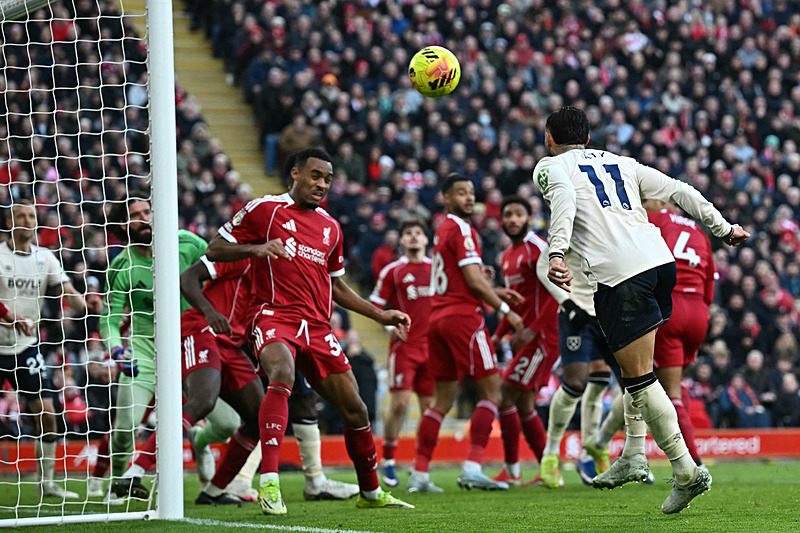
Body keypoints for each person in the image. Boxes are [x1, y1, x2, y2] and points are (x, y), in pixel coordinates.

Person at [535, 106, 748, 514]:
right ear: (589, 137)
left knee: (642, 379)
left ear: (549, 139)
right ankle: (633, 454)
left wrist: (557, 251)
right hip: (659, 263)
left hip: (620, 274)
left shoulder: (550, 166)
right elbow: (679, 190)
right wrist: (722, 228)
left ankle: (686, 472)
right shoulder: (621, 162)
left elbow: (562, 200)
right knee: (637, 373)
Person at [205, 147, 413, 514]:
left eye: (328, 180)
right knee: (281, 373)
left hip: (316, 327)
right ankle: (269, 482)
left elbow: (338, 286)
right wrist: (257, 249)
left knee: (357, 411)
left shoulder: (331, 227)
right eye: (315, 176)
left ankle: (371, 492)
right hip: (271, 316)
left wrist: (379, 315)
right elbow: (217, 248)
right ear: (296, 174)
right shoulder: (264, 209)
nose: (322, 185)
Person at [408, 174, 525, 493]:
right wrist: (506, 312)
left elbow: (468, 279)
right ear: (446, 198)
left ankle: (419, 473)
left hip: (437, 318)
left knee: (442, 399)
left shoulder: (442, 229)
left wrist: (493, 288)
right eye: (461, 193)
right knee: (492, 392)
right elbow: (472, 283)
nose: (469, 198)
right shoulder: (461, 228)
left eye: (472, 193)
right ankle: (473, 467)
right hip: (463, 319)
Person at [99, 192, 208, 499]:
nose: (144, 219)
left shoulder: (187, 243)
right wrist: (116, 348)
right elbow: (109, 317)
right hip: (144, 349)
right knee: (125, 428)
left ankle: (201, 442)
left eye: (147, 212)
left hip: (190, 342)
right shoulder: (121, 264)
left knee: (227, 422)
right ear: (123, 225)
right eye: (136, 215)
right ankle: (118, 485)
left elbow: (220, 269)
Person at [0, 201, 92, 499]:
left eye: (31, 216)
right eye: (21, 216)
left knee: (47, 412)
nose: (27, 220)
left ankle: (47, 481)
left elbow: (67, 290)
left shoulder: (45, 257)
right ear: (9, 222)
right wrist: (12, 319)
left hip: (25, 346)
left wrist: (81, 302)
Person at [490, 197, 558, 487]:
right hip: (525, 337)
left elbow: (558, 293)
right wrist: (498, 333)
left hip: (542, 338)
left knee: (505, 394)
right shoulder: (507, 256)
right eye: (508, 214)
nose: (513, 219)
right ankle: (549, 471)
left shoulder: (539, 249)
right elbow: (515, 303)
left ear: (530, 219)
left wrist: (533, 330)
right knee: (525, 405)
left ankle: (512, 469)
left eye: (519, 214)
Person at [369, 219, 434, 488]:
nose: (414, 237)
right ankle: (389, 461)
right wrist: (389, 328)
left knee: (430, 411)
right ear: (402, 241)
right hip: (404, 348)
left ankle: (421, 469)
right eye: (409, 233)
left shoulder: (437, 269)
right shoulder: (393, 271)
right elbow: (375, 305)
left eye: (419, 232)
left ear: (426, 240)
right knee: (399, 404)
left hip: (433, 349)